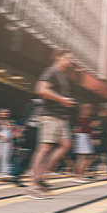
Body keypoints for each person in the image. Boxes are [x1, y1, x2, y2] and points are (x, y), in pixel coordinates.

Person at [30, 49, 76, 199]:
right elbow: (41, 90)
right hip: (50, 116)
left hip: (60, 117)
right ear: (58, 58)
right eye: (67, 58)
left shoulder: (62, 75)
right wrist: (63, 100)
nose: (70, 61)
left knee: (66, 145)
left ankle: (41, 178)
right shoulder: (51, 71)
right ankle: (33, 185)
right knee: (45, 148)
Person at [73, 103, 95, 183]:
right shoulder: (86, 119)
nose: (91, 111)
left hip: (79, 137)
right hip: (84, 137)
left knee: (80, 158)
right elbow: (88, 130)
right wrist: (92, 139)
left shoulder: (79, 118)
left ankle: (77, 175)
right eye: (89, 109)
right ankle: (80, 176)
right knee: (84, 158)